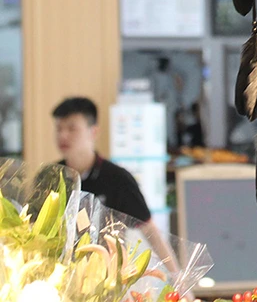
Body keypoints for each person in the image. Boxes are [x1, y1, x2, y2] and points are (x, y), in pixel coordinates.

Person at [52, 97, 192, 296]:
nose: (63, 135)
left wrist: (180, 283)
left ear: (93, 131)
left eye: (72, 128)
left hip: (109, 284)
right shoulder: (53, 176)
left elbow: (150, 231)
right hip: (61, 282)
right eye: (59, 128)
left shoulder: (117, 179)